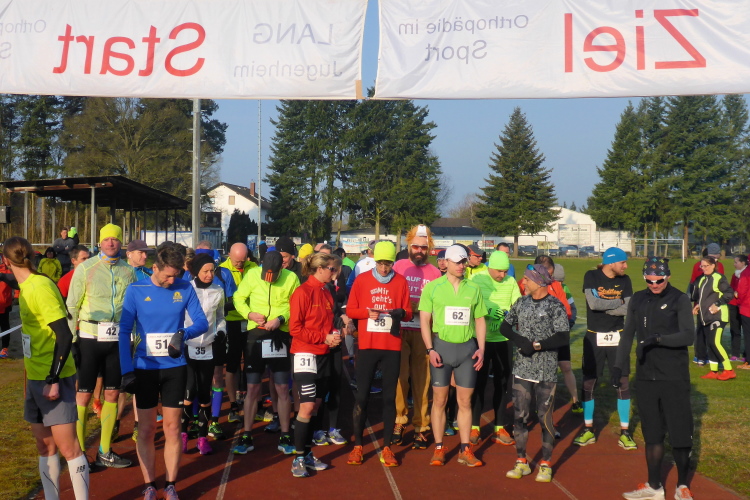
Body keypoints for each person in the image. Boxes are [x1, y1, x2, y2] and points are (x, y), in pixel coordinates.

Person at [119, 244, 209, 500]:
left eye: (176, 275)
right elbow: (124, 331)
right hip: (144, 368)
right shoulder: (136, 290)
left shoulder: (184, 287)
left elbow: (202, 322)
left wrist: (183, 334)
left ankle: (170, 484)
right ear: (155, 268)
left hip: (174, 368)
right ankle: (149, 484)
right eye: (168, 275)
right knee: (146, 429)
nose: (172, 280)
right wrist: (126, 370)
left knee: (172, 428)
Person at [4, 237, 90, 500]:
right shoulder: (26, 283)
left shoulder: (40, 287)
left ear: (6, 260)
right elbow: (12, 280)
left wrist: (53, 378)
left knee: (69, 448)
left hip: (55, 377)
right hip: (36, 377)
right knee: (45, 447)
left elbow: (64, 335)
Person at [616, 257, 696, 500]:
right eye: (649, 281)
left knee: (680, 433)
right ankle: (654, 486)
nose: (654, 285)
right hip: (646, 377)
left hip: (673, 376)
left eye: (659, 280)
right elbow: (627, 334)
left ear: (667, 276)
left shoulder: (679, 299)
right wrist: (619, 367)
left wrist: (659, 339)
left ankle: (682, 485)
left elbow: (689, 336)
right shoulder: (638, 299)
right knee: (652, 433)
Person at [67, 224, 136, 467]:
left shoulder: (129, 271)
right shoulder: (86, 268)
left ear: (121, 243)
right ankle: (79, 454)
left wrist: (134, 337)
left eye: (115, 239)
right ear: (100, 243)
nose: (111, 243)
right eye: (106, 239)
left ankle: (105, 451)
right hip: (89, 337)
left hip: (117, 339)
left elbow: (134, 306)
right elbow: (72, 305)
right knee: (84, 395)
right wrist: (71, 340)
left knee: (113, 393)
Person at [501, 264, 570, 483]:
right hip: (522, 370)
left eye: (527, 279)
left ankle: (546, 464)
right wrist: (521, 341)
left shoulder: (555, 305)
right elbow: (504, 327)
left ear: (539, 282)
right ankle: (521, 461)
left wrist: (537, 346)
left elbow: (563, 336)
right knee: (519, 417)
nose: (523, 282)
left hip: (545, 371)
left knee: (544, 418)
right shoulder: (521, 302)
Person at [420, 244, 487, 467]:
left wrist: (481, 348)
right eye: (457, 262)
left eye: (463, 261)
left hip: (467, 350)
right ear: (446, 262)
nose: (461, 265)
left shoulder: (473, 288)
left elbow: (480, 319)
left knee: (465, 401)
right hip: (441, 348)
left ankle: (465, 449)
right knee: (439, 400)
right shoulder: (433, 288)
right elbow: (424, 320)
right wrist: (430, 349)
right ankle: (439, 447)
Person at [346, 241, 412, 467]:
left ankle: (386, 447)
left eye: (388, 264)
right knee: (362, 396)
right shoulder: (362, 280)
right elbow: (351, 310)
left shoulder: (401, 281)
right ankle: (358, 446)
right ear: (374, 260)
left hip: (391, 346)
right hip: (368, 346)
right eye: (381, 263)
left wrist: (400, 312)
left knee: (389, 398)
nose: (384, 268)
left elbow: (408, 312)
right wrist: (367, 313)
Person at [232, 251, 299, 456]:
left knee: (282, 387)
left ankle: (285, 435)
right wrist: (249, 313)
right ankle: (247, 435)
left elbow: (296, 306)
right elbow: (238, 297)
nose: (269, 279)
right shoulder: (252, 274)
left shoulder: (291, 278)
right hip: (256, 335)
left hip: (279, 335)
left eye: (274, 276)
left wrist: (280, 318)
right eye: (266, 276)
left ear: (282, 268)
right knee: (252, 388)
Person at [575, 247, 636, 450]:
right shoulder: (591, 276)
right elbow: (593, 303)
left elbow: (629, 307)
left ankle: (625, 432)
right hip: (594, 336)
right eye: (623, 262)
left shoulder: (625, 280)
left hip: (618, 337)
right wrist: (618, 302)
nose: (625, 266)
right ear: (611, 262)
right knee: (589, 382)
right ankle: (588, 429)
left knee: (623, 382)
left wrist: (608, 308)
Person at [288, 252, 340, 477]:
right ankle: (298, 458)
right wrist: (323, 337)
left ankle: (308, 453)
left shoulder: (327, 291)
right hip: (304, 354)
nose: (334, 273)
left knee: (317, 405)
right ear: (320, 269)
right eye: (331, 269)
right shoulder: (302, 292)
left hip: (324, 355)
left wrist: (335, 333)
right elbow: (295, 328)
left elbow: (329, 323)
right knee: (307, 406)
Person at [392, 225, 442, 449]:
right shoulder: (399, 267)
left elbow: (437, 304)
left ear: (429, 248)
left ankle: (422, 426)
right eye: (415, 247)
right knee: (400, 378)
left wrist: (418, 308)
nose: (419, 251)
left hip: (424, 333)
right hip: (401, 330)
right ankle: (399, 419)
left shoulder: (435, 273)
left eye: (423, 247)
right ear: (409, 246)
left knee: (422, 381)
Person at [468, 249, 521, 446]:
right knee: (478, 382)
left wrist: (507, 314)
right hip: (480, 340)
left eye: (505, 271)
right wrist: (489, 310)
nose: (502, 275)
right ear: (490, 267)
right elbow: (470, 303)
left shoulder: (511, 282)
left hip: (503, 339)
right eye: (499, 271)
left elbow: (518, 305)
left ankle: (499, 427)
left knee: (502, 383)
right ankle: (474, 426)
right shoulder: (477, 279)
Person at [180, 253, 225, 456]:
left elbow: (220, 317)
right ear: (196, 271)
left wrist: (222, 332)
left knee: (205, 392)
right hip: (188, 345)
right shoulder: (186, 288)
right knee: (189, 391)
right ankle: (183, 434)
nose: (209, 274)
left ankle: (202, 438)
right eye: (205, 271)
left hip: (208, 346)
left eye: (212, 271)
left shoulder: (218, 290)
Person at [219, 242, 252, 423]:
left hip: (251, 321)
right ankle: (233, 404)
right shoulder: (221, 271)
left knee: (252, 363)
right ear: (229, 255)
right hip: (231, 322)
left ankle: (252, 401)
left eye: (242, 260)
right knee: (232, 364)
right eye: (236, 261)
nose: (240, 264)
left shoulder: (254, 268)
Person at [691, 256, 735, 381]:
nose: (703, 268)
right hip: (706, 316)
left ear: (713, 265)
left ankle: (729, 370)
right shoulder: (702, 279)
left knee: (715, 342)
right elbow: (703, 297)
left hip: (718, 316)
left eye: (706, 266)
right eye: (702, 266)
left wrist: (717, 304)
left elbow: (729, 293)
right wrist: (699, 305)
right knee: (710, 343)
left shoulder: (719, 278)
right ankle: (714, 371)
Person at [689, 243, 724, 365]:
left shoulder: (717, 266)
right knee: (706, 330)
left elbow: (692, 285)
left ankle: (706, 356)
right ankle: (705, 356)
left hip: (708, 304)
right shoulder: (714, 266)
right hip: (706, 304)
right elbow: (694, 285)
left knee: (707, 330)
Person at [728, 254, 747, 362]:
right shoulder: (734, 275)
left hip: (744, 306)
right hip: (734, 305)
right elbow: (731, 288)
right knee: (735, 329)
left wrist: (738, 294)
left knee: (747, 331)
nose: (734, 264)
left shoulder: (746, 275)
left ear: (743, 263)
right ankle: (735, 354)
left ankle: (746, 354)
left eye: (736, 262)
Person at [0, 254, 14, 359]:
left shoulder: (8, 268)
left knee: (5, 326)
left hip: (5, 304)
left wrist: (17, 295)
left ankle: (5, 348)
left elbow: (16, 282)